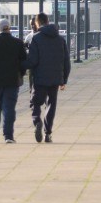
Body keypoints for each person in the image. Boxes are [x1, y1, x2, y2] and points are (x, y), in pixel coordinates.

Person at [24, 12, 70, 143]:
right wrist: (64, 80)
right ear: (48, 21)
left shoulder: (36, 38)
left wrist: (20, 65)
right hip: (55, 79)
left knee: (35, 103)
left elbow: (32, 61)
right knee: (51, 105)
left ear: (37, 23)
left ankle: (37, 121)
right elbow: (66, 62)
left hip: (39, 78)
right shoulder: (60, 39)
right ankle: (48, 133)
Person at [0, 19, 29, 143]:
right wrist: (20, 74)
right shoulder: (18, 43)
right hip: (13, 80)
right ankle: (8, 136)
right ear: (9, 28)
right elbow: (24, 62)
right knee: (9, 108)